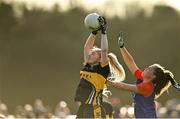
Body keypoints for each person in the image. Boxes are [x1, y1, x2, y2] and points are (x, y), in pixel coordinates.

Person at [107, 32, 180, 118]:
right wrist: (122, 47)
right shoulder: (142, 78)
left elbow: (124, 86)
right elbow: (130, 62)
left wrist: (106, 80)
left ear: (153, 76)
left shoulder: (147, 87)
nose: (146, 68)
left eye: (149, 68)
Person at [74, 17, 125, 118]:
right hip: (83, 108)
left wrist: (103, 32)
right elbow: (86, 48)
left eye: (94, 53)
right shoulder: (88, 65)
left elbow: (104, 50)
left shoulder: (102, 69)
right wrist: (94, 32)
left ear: (100, 58)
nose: (90, 54)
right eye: (91, 53)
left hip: (94, 108)